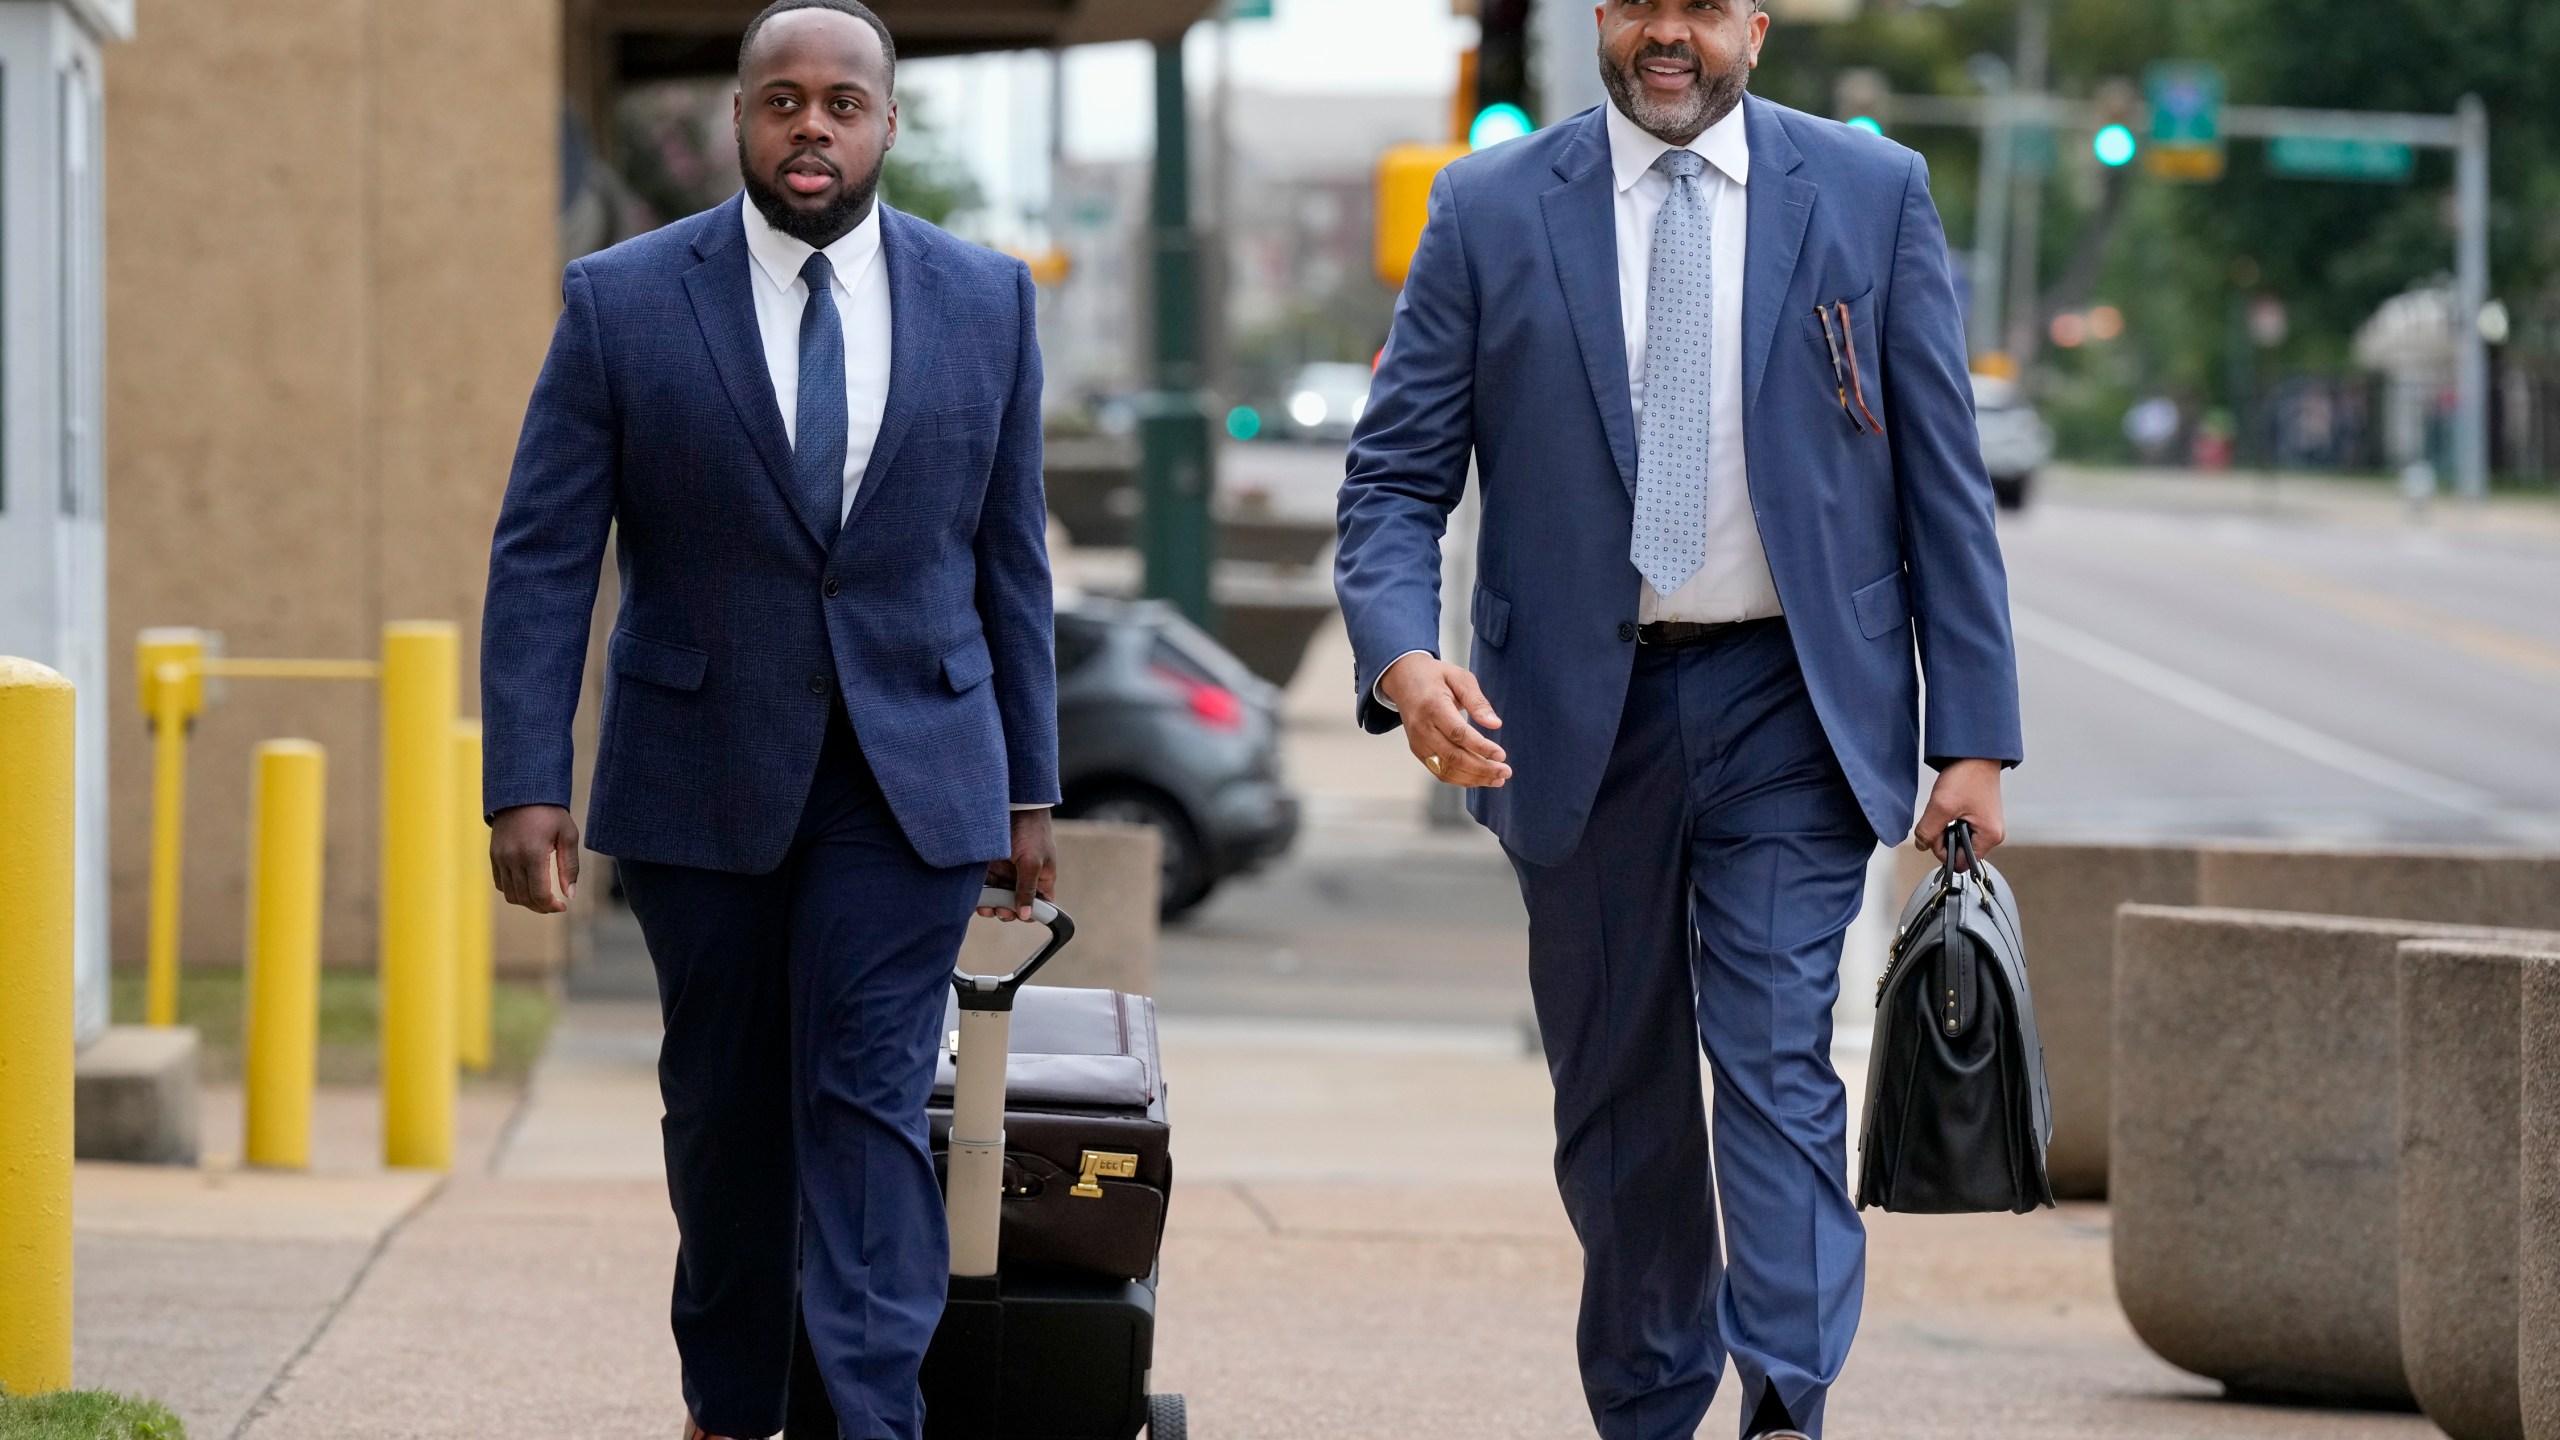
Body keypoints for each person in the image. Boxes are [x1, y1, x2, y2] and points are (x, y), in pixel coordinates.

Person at [1334, 2, 2022, 1437]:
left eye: (1701, 7)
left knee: (1776, 1063)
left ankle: (1783, 1401)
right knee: (1619, 1094)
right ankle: (1648, 1405)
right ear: (1603, 18)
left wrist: (1972, 738)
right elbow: (1395, 484)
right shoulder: (1489, 207)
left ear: (1754, 26)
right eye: (1642, 2)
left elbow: (1943, 483)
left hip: (1794, 701)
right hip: (1571, 718)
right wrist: (1405, 665)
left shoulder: (1871, 191)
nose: (1670, 35)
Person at [478, 3, 1058, 1436]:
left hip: (909, 774)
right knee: (728, 1118)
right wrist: (524, 777)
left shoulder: (986, 299)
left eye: (843, 103)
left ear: (887, 125)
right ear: (740, 117)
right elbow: (547, 551)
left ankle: (872, 1417)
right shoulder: (621, 300)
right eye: (783, 100)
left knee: (863, 1094)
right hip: (697, 776)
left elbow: (1013, 560)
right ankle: (732, 1408)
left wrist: (1029, 792)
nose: (814, 126)